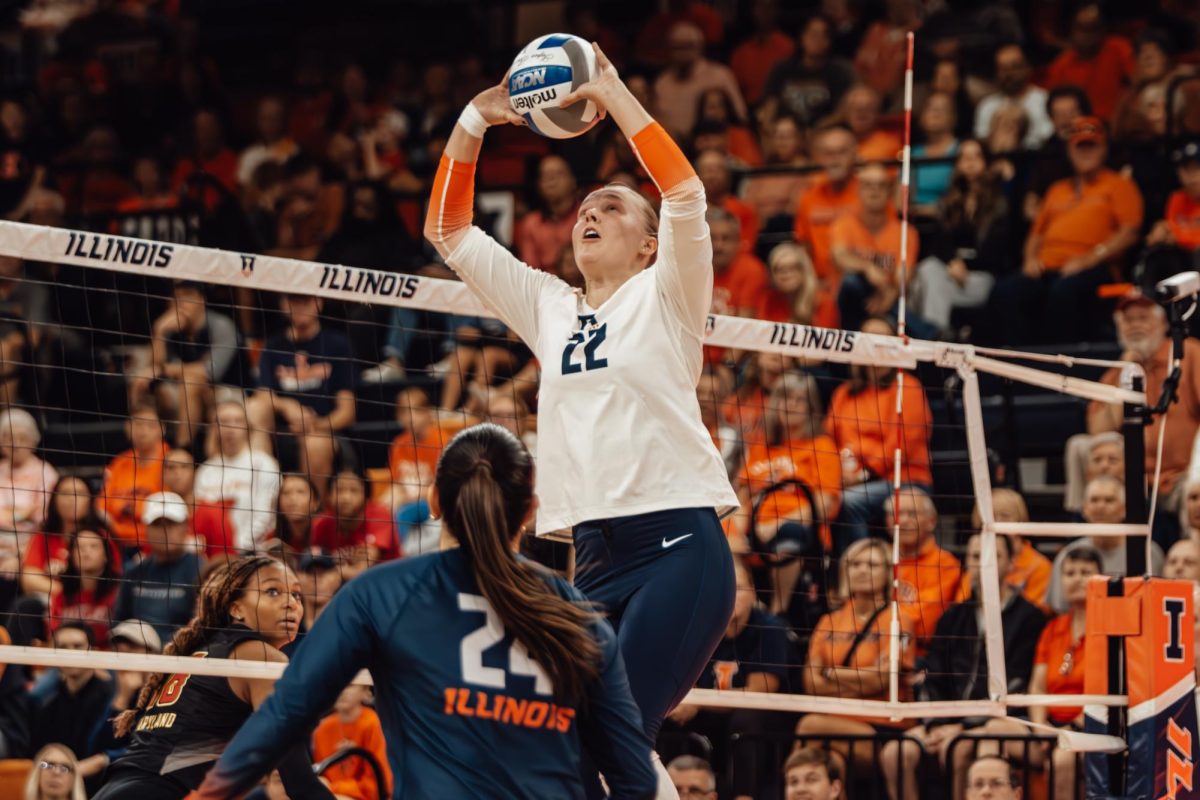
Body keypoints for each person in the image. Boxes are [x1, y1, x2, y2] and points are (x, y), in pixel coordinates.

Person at [421, 44, 739, 785]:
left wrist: (614, 92)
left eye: (614, 206)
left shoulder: (667, 293)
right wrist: (476, 118)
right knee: (562, 743)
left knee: (612, 736)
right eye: (586, 207)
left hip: (678, 547)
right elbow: (449, 233)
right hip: (590, 558)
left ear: (649, 245)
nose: (592, 211)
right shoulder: (550, 308)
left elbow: (686, 194)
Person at [192, 424, 658, 798]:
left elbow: (284, 714)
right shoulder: (579, 614)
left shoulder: (384, 593)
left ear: (434, 501)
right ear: (531, 510)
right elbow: (635, 780)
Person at [94, 556, 334, 799]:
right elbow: (296, 779)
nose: (290, 603)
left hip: (116, 788)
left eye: (296, 595)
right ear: (236, 608)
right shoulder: (262, 658)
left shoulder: (204, 649)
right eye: (273, 591)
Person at [882, 534, 1046, 800]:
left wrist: (965, 726)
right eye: (975, 557)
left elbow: (1018, 683)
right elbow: (932, 673)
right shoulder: (954, 617)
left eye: (992, 557)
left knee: (958, 747)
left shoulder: (1030, 618)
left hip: (998, 720)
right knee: (895, 753)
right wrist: (936, 722)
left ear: (1011, 563)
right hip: (949, 720)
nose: (982, 564)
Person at [989, 116, 1143, 344]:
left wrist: (1090, 259)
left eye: (1092, 145)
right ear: (1070, 150)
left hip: (1095, 268)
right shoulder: (1056, 189)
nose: (1086, 152)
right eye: (1080, 146)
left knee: (1064, 292)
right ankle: (1017, 361)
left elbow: (1129, 232)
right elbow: (1036, 234)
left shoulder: (1120, 185)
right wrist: (1030, 259)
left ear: (1104, 149)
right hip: (1047, 269)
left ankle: (1060, 361)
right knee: (1004, 292)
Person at [797, 537, 914, 780]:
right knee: (829, 763)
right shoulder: (829, 621)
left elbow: (882, 681)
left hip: (884, 727)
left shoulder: (898, 618)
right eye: (855, 564)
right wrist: (862, 683)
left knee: (809, 727)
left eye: (871, 565)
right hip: (837, 723)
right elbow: (811, 685)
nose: (862, 570)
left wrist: (834, 673)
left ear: (887, 573)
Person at [1088, 291, 1200, 541]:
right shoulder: (1116, 372)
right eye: (1128, 320)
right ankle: (1087, 546)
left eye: (1143, 317)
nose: (1135, 325)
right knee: (1079, 447)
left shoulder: (1188, 355)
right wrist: (1126, 372)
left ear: (1162, 323)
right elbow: (1099, 432)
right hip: (1130, 480)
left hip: (1181, 475)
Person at [734, 372, 841, 614]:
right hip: (755, 526)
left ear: (811, 407)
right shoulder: (762, 447)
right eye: (784, 398)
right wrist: (740, 526)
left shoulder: (822, 446)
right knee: (722, 536)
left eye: (799, 400)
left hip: (800, 530)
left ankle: (776, 611)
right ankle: (746, 609)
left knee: (789, 535)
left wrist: (775, 524)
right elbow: (742, 495)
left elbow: (824, 505)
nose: (790, 405)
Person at [827, 318, 932, 550]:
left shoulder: (908, 388)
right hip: (848, 478)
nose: (876, 346)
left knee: (850, 502)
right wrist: (835, 473)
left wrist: (861, 467)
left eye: (882, 339)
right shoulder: (844, 394)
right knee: (819, 502)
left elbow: (899, 449)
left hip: (903, 480)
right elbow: (828, 442)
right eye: (869, 340)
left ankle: (865, 563)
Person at [246, 293, 356, 499]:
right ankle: (260, 500)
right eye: (293, 301)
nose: (300, 307)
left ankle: (314, 512)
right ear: (283, 304)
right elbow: (262, 397)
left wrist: (314, 424)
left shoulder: (337, 344)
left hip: (324, 430)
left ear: (319, 303)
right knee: (254, 408)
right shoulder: (273, 345)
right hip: (280, 430)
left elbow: (347, 412)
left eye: (305, 301)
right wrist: (287, 406)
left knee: (315, 444)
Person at [915, 139, 1010, 336]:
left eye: (977, 156)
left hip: (980, 277)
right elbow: (939, 243)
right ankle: (939, 335)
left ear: (987, 161)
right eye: (965, 157)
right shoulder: (948, 201)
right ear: (958, 163)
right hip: (951, 273)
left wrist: (966, 268)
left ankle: (931, 337)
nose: (971, 163)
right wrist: (953, 262)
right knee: (928, 269)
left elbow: (998, 251)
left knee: (924, 288)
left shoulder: (999, 202)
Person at [1030, 547, 1103, 800]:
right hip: (1049, 727)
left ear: (1101, 579)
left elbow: (1107, 692)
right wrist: (1040, 728)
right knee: (987, 737)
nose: (1077, 578)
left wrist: (1069, 730)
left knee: (1063, 759)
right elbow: (1038, 687)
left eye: (1086, 572)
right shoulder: (1052, 628)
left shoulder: (1111, 629)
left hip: (1088, 728)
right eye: (1070, 572)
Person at [143, 281, 243, 450]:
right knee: (143, 383)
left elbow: (211, 372)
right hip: (185, 388)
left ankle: (184, 450)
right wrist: (159, 331)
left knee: (191, 381)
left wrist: (168, 369)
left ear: (202, 300)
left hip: (229, 390)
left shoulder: (221, 326)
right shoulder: (171, 328)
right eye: (177, 298)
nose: (181, 304)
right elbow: (154, 368)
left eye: (188, 297)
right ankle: (152, 452)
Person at [1045, 476, 1164, 612]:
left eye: (1109, 500)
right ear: (1084, 509)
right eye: (1094, 500)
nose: (1101, 506)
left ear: (1124, 509)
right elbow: (1058, 609)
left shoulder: (1149, 553)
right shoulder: (1067, 555)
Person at [830, 163, 920, 335]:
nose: (874, 191)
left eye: (881, 185)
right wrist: (868, 268)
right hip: (848, 307)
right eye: (868, 185)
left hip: (887, 304)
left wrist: (890, 293)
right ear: (858, 190)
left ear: (890, 192)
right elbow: (840, 256)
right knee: (851, 281)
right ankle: (929, 334)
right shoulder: (843, 224)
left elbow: (904, 274)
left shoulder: (906, 232)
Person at [193, 400, 281, 554]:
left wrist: (238, 548)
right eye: (224, 422)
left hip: (253, 553)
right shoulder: (205, 471)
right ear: (215, 428)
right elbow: (201, 518)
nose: (231, 428)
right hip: (214, 556)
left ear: (247, 426)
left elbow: (265, 516)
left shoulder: (264, 464)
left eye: (237, 421)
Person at [112, 492, 202, 641]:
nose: (164, 531)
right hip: (135, 652)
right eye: (157, 525)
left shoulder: (201, 570)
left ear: (186, 526)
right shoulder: (134, 572)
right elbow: (119, 621)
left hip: (181, 653)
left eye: (171, 524)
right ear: (146, 528)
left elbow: (202, 626)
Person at [28, 622, 114, 771]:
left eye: (77, 646)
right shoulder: (47, 702)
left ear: (92, 651)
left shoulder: (111, 698)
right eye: (63, 647)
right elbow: (37, 754)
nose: (70, 653)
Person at [653, 21, 746, 140]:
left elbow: (740, 116)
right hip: (672, 146)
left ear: (700, 47)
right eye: (677, 47)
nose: (682, 53)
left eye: (687, 46)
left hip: (713, 144)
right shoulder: (662, 83)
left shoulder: (720, 76)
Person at [792, 125, 860, 285]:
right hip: (819, 283)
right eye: (829, 154)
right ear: (820, 157)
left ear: (854, 154)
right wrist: (810, 283)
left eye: (841, 152)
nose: (835, 160)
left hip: (857, 283)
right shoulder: (808, 197)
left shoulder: (868, 194)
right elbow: (803, 246)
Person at [96, 400, 167, 552]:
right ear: (128, 428)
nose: (143, 431)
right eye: (138, 424)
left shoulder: (171, 461)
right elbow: (102, 508)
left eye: (150, 425)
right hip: (116, 542)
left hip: (153, 546)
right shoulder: (119, 463)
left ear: (162, 429)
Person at [1044, 3, 1134, 121]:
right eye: (1082, 28)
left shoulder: (1118, 48)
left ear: (1103, 28)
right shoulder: (1061, 65)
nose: (1088, 35)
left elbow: (1138, 81)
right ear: (1071, 29)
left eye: (1093, 28)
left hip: (1118, 124)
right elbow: (1053, 106)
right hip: (1078, 129)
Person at [311, 470, 401, 583]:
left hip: (387, 583)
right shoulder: (322, 524)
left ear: (367, 497)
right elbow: (310, 564)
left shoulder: (380, 515)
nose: (346, 497)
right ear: (328, 496)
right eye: (339, 490)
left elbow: (361, 571)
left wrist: (333, 573)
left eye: (354, 491)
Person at [764, 14, 856, 125]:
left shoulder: (839, 71)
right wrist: (768, 127)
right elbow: (770, 105)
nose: (817, 39)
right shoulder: (782, 68)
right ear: (802, 36)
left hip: (824, 133)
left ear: (830, 41)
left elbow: (841, 111)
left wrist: (816, 131)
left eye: (824, 35)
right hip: (785, 132)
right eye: (813, 34)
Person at [0, 408, 58, 572]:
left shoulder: (45, 472)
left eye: (22, 438)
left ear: (33, 441)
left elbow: (43, 517)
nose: (15, 444)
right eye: (9, 437)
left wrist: (18, 555)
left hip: (30, 543)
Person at [311, 684, 393, 800]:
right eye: (338, 682)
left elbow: (378, 786)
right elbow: (321, 776)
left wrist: (333, 788)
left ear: (365, 691)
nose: (343, 690)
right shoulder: (322, 729)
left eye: (350, 685)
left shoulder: (373, 725)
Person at [47, 527, 120, 648]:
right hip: (67, 658)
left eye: (93, 546)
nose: (86, 552)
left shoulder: (118, 593)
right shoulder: (62, 595)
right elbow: (54, 636)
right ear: (72, 556)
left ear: (106, 555)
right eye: (79, 547)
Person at [974, 44, 1054, 150]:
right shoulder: (987, 105)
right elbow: (982, 142)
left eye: (1014, 67)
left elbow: (1048, 139)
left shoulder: (1045, 100)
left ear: (1027, 68)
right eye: (1003, 69)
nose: (1009, 74)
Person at [517, 154, 580, 274]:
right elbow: (530, 272)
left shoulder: (587, 217)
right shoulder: (530, 223)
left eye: (558, 174)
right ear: (539, 185)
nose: (551, 180)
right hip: (545, 288)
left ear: (573, 181)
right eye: (545, 176)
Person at [755, 242, 838, 329]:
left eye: (793, 268)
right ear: (772, 275)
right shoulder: (768, 301)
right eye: (779, 269)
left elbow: (824, 340)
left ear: (804, 271)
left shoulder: (823, 302)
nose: (786, 274)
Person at [707, 207, 767, 319]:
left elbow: (745, 324)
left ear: (738, 242)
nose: (718, 246)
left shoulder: (751, 270)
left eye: (726, 239)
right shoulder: (697, 268)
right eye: (713, 238)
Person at [1148, 140, 1200, 258]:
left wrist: (1177, 238)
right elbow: (1171, 230)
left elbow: (1176, 236)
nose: (1191, 176)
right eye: (1185, 169)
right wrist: (1162, 230)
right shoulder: (1177, 198)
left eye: (1197, 168)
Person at [840, 84, 901, 163]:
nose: (861, 113)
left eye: (868, 108)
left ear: (877, 113)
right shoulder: (834, 142)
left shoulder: (891, 143)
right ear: (845, 112)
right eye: (855, 108)